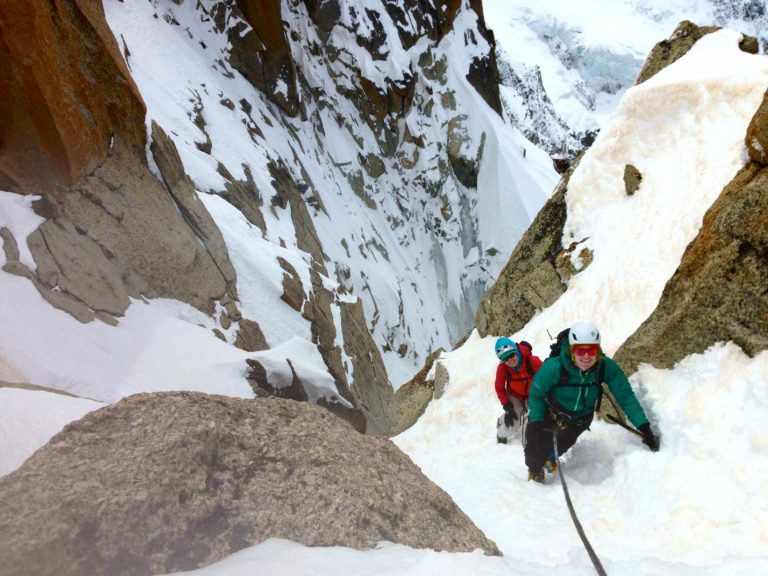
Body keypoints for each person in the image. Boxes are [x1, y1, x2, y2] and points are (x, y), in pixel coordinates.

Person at [524, 321, 660, 483]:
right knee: (535, 449)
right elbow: (537, 393)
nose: (587, 356)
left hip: (580, 417)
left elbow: (625, 396)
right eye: (581, 350)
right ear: (572, 351)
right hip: (551, 410)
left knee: (563, 443)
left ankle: (552, 457)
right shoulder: (554, 368)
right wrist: (537, 421)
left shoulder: (605, 366)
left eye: (592, 350)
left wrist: (643, 426)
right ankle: (535, 469)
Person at [494, 337, 543, 441]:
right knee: (513, 423)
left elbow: (546, 378)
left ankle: (502, 419)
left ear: (516, 350)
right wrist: (507, 405)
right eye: (505, 359)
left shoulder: (532, 361)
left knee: (540, 417)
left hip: (532, 395)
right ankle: (501, 435)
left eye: (511, 355)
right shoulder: (502, 369)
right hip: (514, 396)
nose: (510, 360)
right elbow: (499, 388)